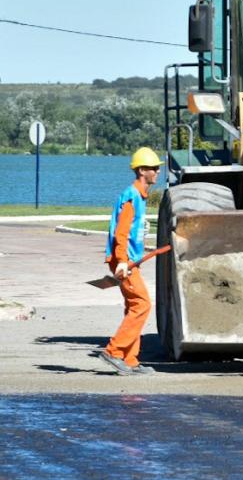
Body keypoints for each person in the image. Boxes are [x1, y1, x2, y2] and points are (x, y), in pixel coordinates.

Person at [98, 147, 162, 376]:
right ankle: (114, 351)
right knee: (142, 304)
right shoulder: (131, 196)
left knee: (132, 306)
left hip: (130, 260)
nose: (157, 172)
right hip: (123, 261)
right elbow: (121, 233)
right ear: (142, 170)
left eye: (157, 168)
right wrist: (122, 260)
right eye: (153, 169)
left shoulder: (140, 196)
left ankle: (130, 359)